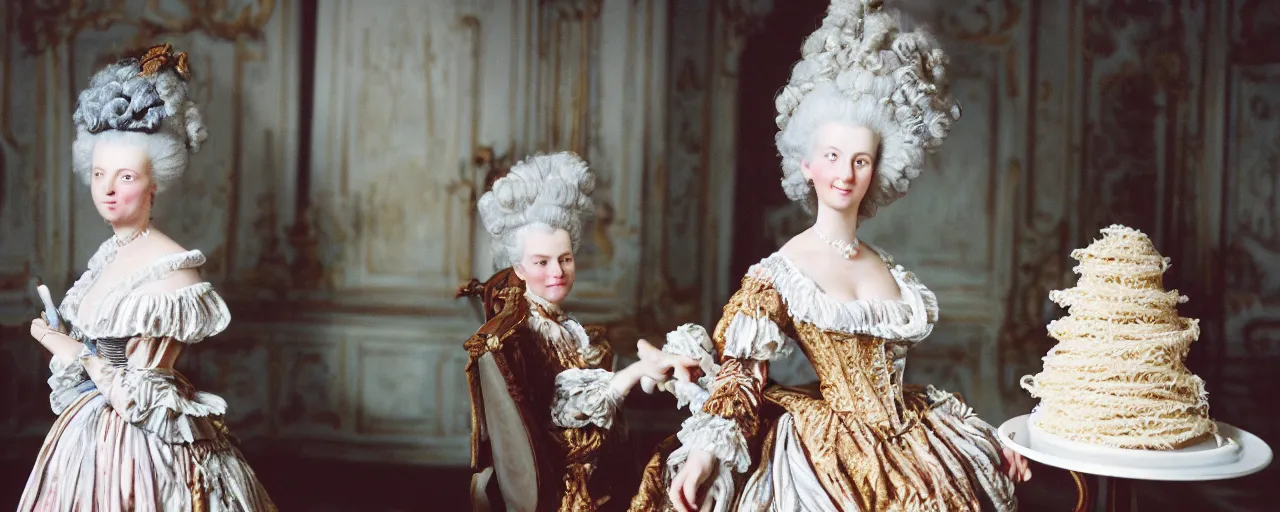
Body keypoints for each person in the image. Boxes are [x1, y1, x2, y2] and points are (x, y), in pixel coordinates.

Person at [639, 1, 1033, 510]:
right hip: (826, 452)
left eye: (860, 160)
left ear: (878, 170)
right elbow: (740, 372)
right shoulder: (781, 271)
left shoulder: (888, 268)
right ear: (806, 165)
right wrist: (703, 456)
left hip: (913, 442)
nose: (845, 174)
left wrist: (985, 440)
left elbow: (898, 386)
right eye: (831, 157)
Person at [20, 44, 275, 511]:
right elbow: (99, 355)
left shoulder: (174, 269)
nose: (109, 190)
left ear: (155, 180)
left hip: (141, 448)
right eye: (99, 175)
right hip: (85, 440)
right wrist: (66, 338)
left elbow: (144, 394)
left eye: (126, 177)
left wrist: (73, 351)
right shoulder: (110, 253)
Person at [461, 152, 699, 511]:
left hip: (597, 463)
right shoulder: (529, 331)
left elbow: (590, 382)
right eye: (541, 262)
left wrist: (647, 368)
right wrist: (634, 373)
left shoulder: (563, 324)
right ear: (519, 269)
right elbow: (569, 408)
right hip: (570, 486)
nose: (557, 271)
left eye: (566, 258)